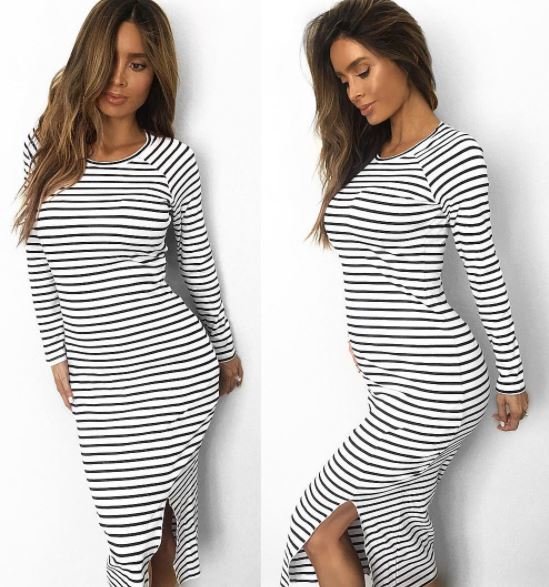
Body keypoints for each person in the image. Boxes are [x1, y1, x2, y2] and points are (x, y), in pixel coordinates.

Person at [279, 1, 529, 586]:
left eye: (362, 70)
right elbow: (373, 272)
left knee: (319, 531)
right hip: (390, 387)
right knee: (390, 544)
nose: (353, 92)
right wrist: (368, 339)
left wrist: (512, 379)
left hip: (434, 384)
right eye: (343, 80)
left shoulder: (454, 155)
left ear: (404, 56)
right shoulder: (369, 157)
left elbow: (485, 273)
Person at [13, 1, 243, 585]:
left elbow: (197, 265)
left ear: (156, 73)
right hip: (98, 379)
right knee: (133, 533)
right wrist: (57, 353)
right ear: (86, 60)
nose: (118, 79)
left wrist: (224, 350)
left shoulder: (173, 161)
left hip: (172, 371)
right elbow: (39, 262)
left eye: (137, 64)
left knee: (154, 531)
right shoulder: (45, 150)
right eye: (108, 60)